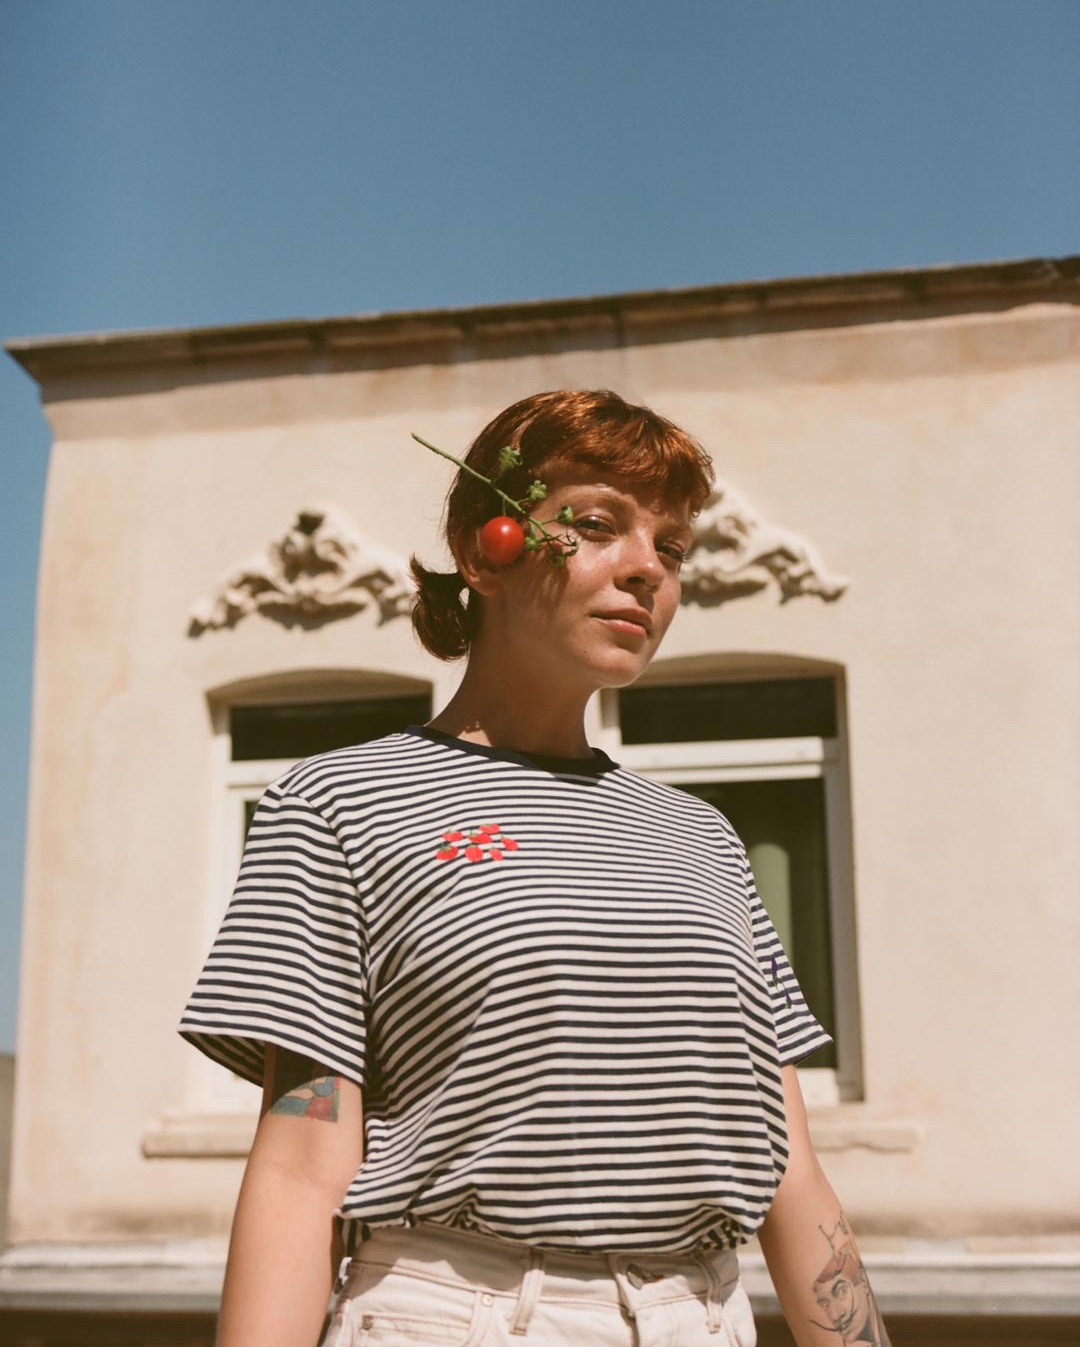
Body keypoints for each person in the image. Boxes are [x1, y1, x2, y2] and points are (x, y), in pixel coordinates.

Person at [179, 388, 892, 1347]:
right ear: (487, 549)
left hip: (701, 1317)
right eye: (595, 525)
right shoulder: (339, 805)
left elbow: (789, 1167)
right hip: (459, 1318)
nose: (647, 567)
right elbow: (301, 1168)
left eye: (673, 546)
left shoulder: (704, 839)